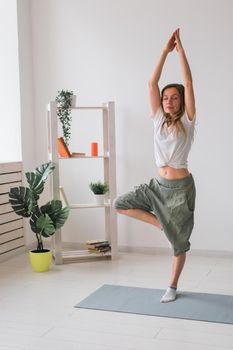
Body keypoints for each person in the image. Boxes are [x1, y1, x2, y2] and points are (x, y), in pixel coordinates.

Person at [113, 28, 196, 303]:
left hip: (180, 190)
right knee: (119, 203)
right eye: (166, 97)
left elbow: (188, 81)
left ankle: (172, 286)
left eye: (174, 97)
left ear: (181, 100)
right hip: (156, 186)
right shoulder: (158, 118)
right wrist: (164, 52)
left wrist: (181, 53)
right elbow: (151, 83)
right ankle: (160, 223)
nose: (169, 101)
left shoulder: (188, 121)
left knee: (178, 244)